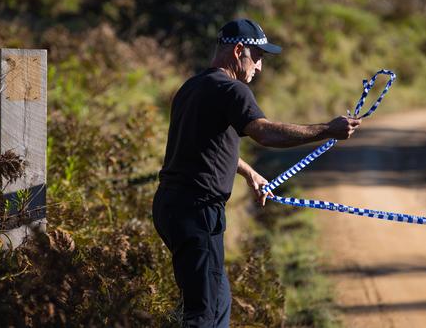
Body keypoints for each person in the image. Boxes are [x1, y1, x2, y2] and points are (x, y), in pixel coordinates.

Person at [152, 18, 361, 327]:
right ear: (239, 51)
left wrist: (249, 172)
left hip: (172, 208)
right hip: (198, 213)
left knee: (218, 300)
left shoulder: (192, 87)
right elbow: (265, 134)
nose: (260, 68)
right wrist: (328, 130)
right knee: (204, 314)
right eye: (259, 57)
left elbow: (205, 145)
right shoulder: (231, 90)